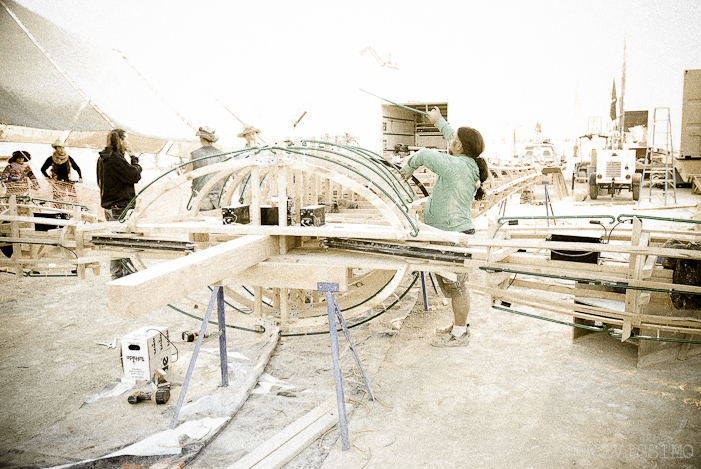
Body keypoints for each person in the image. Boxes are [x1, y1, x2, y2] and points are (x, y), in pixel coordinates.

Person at [401, 107, 489, 347]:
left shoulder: (456, 166)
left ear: (459, 147)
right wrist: (439, 121)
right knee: (454, 285)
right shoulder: (467, 162)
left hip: (453, 236)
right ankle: (459, 325)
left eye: (454, 141)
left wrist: (408, 168)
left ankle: (460, 334)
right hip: (452, 233)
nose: (451, 141)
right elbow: (455, 138)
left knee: (457, 287)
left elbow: (425, 155)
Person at [96, 129, 142, 279]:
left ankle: (117, 276)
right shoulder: (115, 158)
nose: (128, 142)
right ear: (120, 141)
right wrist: (134, 159)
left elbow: (99, 181)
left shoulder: (103, 158)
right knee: (124, 242)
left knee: (115, 242)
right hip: (120, 206)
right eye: (126, 139)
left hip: (110, 206)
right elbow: (134, 175)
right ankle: (128, 275)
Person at [190, 126, 225, 211]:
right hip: (218, 197)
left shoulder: (194, 155)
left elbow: (188, 174)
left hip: (202, 197)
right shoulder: (221, 154)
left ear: (201, 139)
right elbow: (226, 175)